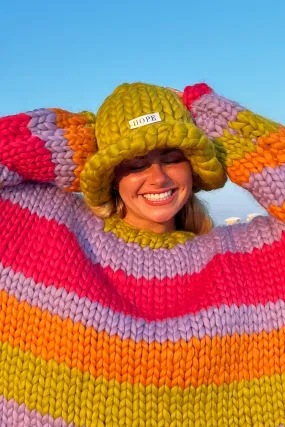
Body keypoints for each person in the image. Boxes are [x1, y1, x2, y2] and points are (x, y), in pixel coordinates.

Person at [0, 81, 284, 427]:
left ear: (193, 167)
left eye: (171, 157)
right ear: (109, 174)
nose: (158, 177)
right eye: (134, 164)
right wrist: (72, 140)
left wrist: (222, 123)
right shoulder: (45, 232)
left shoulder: (250, 261)